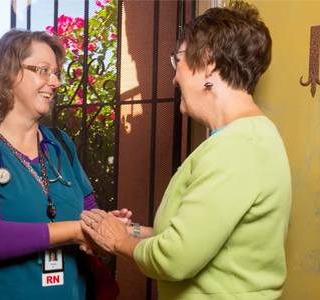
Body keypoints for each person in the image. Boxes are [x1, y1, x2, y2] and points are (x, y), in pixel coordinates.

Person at [80, 1, 292, 299]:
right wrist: (126, 231)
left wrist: (117, 242)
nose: (175, 78)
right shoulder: (248, 138)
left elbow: (175, 258)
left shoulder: (237, 147)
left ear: (208, 62)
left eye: (177, 61)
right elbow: (190, 237)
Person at [0, 29, 130, 300]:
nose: (56, 82)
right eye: (44, 70)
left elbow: (87, 212)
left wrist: (105, 228)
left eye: (56, 73)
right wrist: (78, 232)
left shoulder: (60, 145)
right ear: (9, 73)